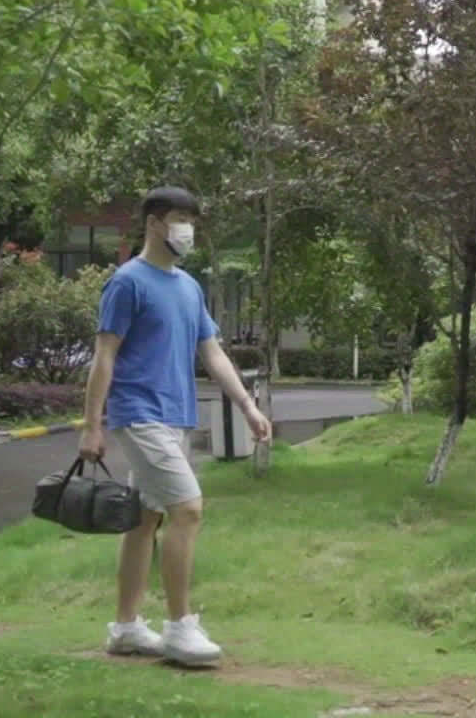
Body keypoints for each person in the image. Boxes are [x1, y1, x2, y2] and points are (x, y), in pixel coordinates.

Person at [78, 186, 271, 667]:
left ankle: (125, 628)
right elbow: (104, 356)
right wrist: (91, 426)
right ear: (154, 224)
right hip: (138, 413)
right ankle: (181, 628)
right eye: (179, 218)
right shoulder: (127, 283)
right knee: (187, 509)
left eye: (192, 219)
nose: (188, 228)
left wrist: (247, 406)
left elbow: (211, 352)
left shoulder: (188, 286)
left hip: (176, 414)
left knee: (146, 518)